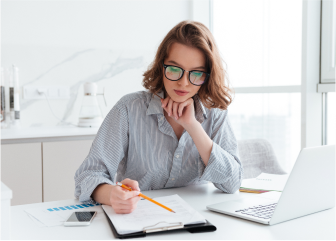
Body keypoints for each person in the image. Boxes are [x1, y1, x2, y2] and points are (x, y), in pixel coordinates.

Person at [74, 20, 243, 214]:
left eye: (196, 73)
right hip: (140, 220)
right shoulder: (128, 109)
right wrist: (112, 194)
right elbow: (87, 176)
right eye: (174, 69)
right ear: (161, 66)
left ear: (207, 75)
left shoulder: (215, 113)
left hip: (199, 222)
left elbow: (233, 183)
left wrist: (193, 126)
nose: (183, 83)